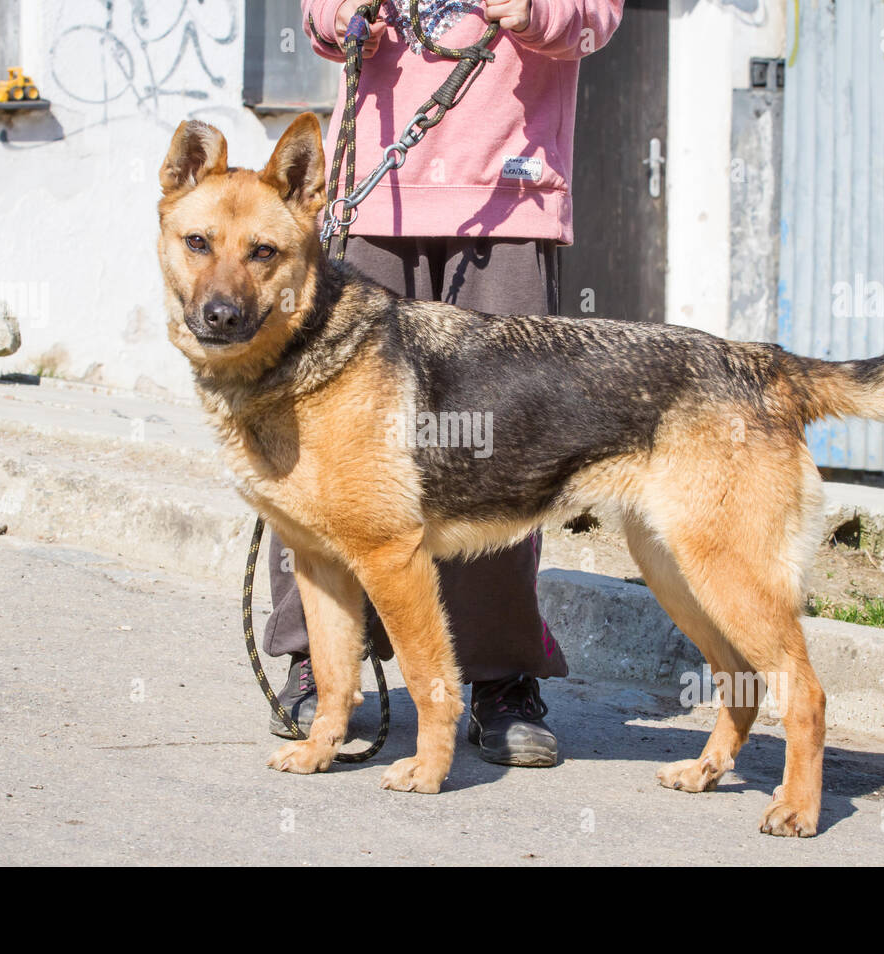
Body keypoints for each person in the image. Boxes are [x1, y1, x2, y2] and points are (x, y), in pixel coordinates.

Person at [265, 0, 623, 767]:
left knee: (494, 454)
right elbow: (323, 29)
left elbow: (596, 23)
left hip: (509, 201)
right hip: (369, 200)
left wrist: (532, 11)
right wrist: (340, 13)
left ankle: (498, 678)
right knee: (316, 458)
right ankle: (320, 667)